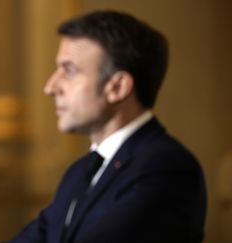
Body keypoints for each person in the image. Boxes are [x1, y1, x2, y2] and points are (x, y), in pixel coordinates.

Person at [11, 10, 206, 243]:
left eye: (69, 70)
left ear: (118, 87)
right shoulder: (79, 172)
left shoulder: (166, 168)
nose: (51, 87)